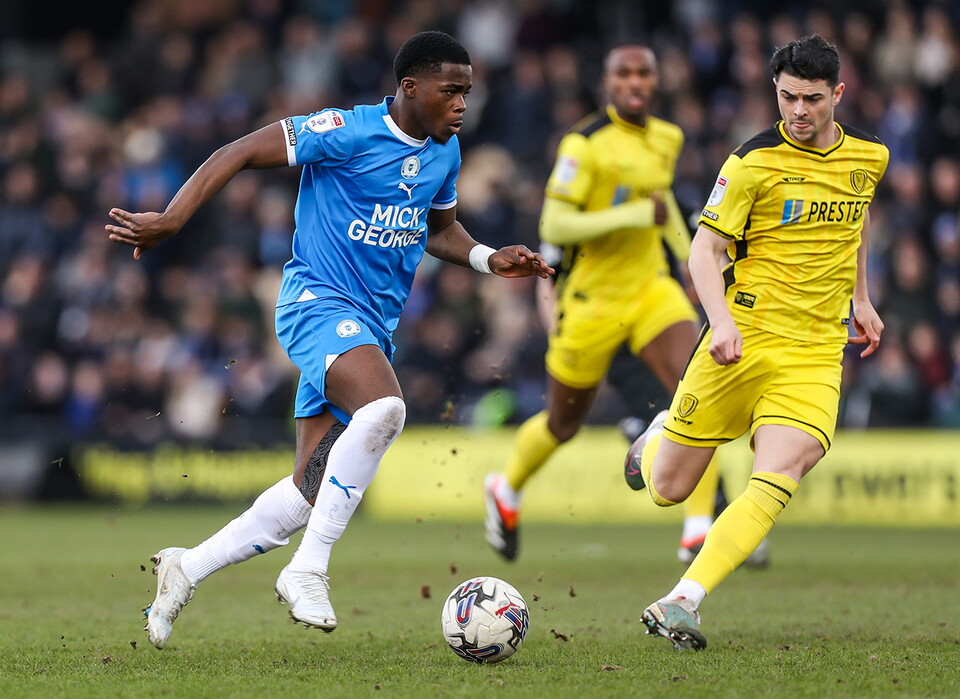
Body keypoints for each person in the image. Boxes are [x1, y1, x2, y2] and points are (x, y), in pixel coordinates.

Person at [105, 31, 552, 649]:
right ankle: (308, 570)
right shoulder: (344, 130)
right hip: (316, 304)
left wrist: (485, 258)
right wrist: (174, 218)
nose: (461, 105)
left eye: (467, 94)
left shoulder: (444, 154)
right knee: (386, 408)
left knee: (307, 492)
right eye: (451, 92)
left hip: (372, 327)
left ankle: (187, 568)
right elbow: (237, 151)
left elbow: (437, 228)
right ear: (410, 87)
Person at [630, 35, 887, 649]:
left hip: (815, 352)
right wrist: (719, 321)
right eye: (788, 97)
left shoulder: (869, 158)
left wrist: (861, 298)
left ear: (838, 96)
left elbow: (857, 219)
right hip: (742, 337)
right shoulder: (751, 162)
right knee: (669, 489)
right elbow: (703, 250)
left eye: (812, 99)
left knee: (781, 472)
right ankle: (658, 432)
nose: (798, 111)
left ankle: (683, 600)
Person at [483, 44, 727, 563]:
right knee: (562, 423)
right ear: (608, 83)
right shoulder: (583, 145)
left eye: (645, 73)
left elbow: (667, 215)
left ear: (656, 81)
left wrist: (695, 265)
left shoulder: (668, 137)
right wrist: (632, 216)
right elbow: (555, 225)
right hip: (591, 301)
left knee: (700, 391)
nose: (635, 82)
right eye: (625, 74)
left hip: (651, 291)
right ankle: (506, 489)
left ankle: (699, 529)